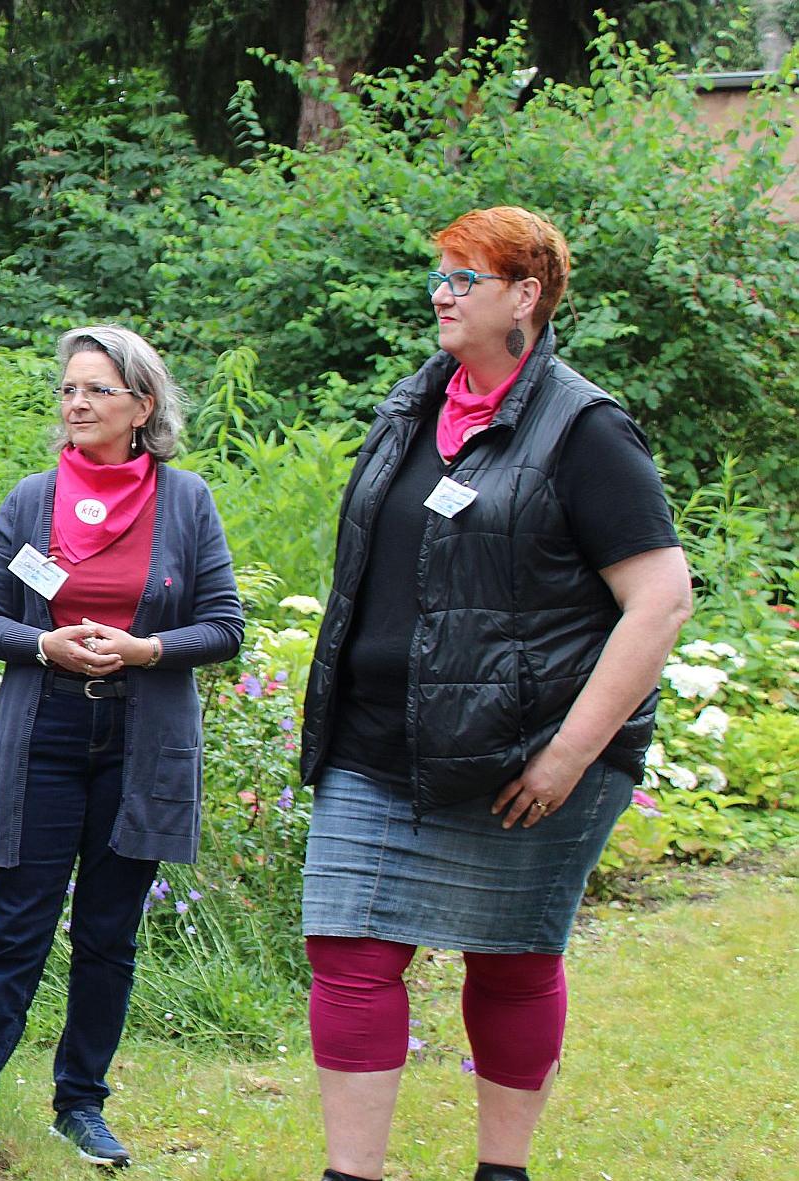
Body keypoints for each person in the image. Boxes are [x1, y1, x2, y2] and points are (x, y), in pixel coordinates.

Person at [295, 207, 690, 1181]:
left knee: (509, 958)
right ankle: (351, 1173)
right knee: (345, 946)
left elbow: (660, 595)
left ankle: (500, 1171)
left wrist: (567, 755)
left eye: (464, 276)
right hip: (379, 735)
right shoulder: (410, 406)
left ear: (525, 293)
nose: (441, 291)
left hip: (526, 752)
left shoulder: (583, 428)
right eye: (438, 273)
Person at [0, 326, 244, 1179]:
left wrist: (143, 649)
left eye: (98, 390)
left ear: (142, 406)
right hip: (43, 732)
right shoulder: (33, 500)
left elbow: (225, 625)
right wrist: (47, 646)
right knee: (16, 932)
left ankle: (81, 1104)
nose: (77, 404)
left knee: (109, 935)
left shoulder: (185, 502)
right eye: (70, 390)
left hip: (141, 741)